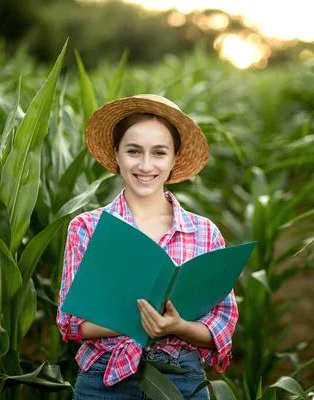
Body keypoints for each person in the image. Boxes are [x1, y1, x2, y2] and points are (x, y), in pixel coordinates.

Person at [56, 94, 238, 399]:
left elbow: (221, 325)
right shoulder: (87, 228)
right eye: (133, 151)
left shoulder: (204, 232)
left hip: (182, 378)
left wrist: (176, 326)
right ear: (116, 154)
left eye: (159, 153)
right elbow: (72, 322)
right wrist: (145, 320)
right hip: (103, 379)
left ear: (174, 159)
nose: (145, 165)